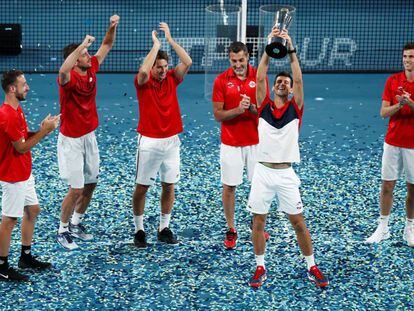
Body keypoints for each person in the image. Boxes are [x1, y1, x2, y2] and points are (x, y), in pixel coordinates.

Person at [247, 28, 328, 288]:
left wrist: (290, 47)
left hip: (285, 174)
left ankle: (311, 266)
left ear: (291, 90)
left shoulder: (296, 108)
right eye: (278, 82)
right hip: (262, 172)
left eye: (286, 82)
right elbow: (259, 77)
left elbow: (300, 79)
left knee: (299, 223)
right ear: (273, 88)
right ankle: (260, 267)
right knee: (258, 222)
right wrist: (269, 47)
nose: (282, 83)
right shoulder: (262, 106)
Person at [56, 15, 120, 250]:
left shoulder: (91, 67)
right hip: (71, 141)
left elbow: (106, 45)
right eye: (83, 54)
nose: (87, 56)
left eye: (85, 53)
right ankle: (62, 230)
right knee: (76, 189)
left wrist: (112, 27)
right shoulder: (67, 78)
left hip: (88, 137)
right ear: (75, 61)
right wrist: (82, 44)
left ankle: (76, 223)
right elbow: (63, 70)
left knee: (91, 183)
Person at [132, 22, 192, 248]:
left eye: (165, 66)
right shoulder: (143, 83)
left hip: (171, 142)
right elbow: (144, 72)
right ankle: (139, 230)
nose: (163, 70)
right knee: (142, 188)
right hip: (148, 142)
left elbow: (187, 62)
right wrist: (155, 46)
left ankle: (163, 227)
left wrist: (170, 39)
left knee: (169, 185)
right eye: (159, 67)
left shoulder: (172, 79)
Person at [0, 70, 60, 281]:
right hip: (13, 175)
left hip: (23, 173)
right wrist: (46, 132)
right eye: (24, 84)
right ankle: (1, 265)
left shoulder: (17, 110)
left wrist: (41, 129)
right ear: (12, 89)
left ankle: (25, 257)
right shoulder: (7, 115)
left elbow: (23, 138)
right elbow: (21, 148)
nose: (28, 87)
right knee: (9, 220)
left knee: (33, 210)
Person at [212, 42, 269, 249]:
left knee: (259, 186)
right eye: (234, 61)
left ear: (248, 57)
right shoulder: (220, 81)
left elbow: (266, 112)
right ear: (230, 59)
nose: (238, 64)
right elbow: (218, 114)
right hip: (231, 144)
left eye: (241, 60)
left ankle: (257, 225)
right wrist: (238, 110)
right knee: (229, 187)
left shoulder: (259, 77)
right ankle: (231, 228)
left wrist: (252, 108)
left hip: (256, 143)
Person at [365, 43, 414, 246]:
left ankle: (409, 229)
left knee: (412, 188)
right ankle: (383, 228)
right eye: (405, 56)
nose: (407, 60)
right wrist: (400, 104)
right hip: (392, 142)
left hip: (413, 145)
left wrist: (410, 103)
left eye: (411, 57)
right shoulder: (392, 81)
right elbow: (384, 113)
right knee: (387, 185)